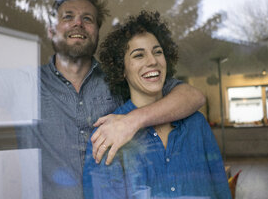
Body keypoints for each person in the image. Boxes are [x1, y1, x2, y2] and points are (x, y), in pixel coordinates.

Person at [0, 0, 205, 199]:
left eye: (87, 19)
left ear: (97, 32)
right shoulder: (24, 83)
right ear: (52, 30)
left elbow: (193, 97)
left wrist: (134, 120)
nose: (78, 24)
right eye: (68, 17)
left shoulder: (119, 79)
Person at [83, 11, 231, 199]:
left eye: (157, 52)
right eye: (138, 55)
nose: (152, 61)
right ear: (121, 70)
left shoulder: (197, 125)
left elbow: (221, 191)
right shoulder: (107, 136)